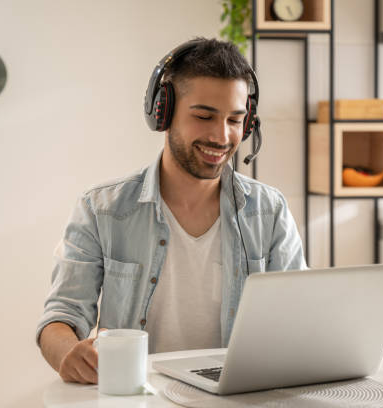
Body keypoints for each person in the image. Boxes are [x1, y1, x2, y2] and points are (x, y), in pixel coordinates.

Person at [36, 37, 306, 384]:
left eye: (235, 120)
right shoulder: (101, 209)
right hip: (138, 397)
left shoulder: (269, 211)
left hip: (240, 396)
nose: (222, 137)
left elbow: (298, 315)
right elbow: (61, 317)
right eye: (204, 116)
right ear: (163, 113)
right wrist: (67, 353)